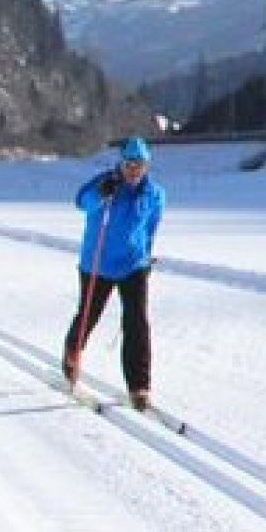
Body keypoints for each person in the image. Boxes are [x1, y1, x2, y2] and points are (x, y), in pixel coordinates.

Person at [62, 136, 164, 410]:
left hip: (133, 265)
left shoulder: (154, 194)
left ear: (146, 167)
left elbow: (151, 228)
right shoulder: (105, 182)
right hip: (98, 264)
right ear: (122, 163)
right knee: (88, 314)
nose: (134, 171)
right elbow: (81, 201)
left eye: (139, 166)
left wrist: (146, 255)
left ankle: (139, 386)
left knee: (137, 323)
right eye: (130, 164)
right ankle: (72, 354)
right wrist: (100, 194)